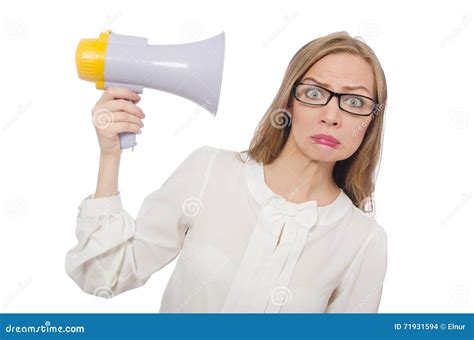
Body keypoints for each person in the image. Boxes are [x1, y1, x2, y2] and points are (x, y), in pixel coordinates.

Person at [65, 31, 388, 313]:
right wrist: (110, 156)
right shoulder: (209, 172)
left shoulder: (363, 241)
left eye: (355, 102)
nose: (332, 115)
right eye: (315, 93)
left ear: (370, 121)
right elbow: (105, 276)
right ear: (289, 103)